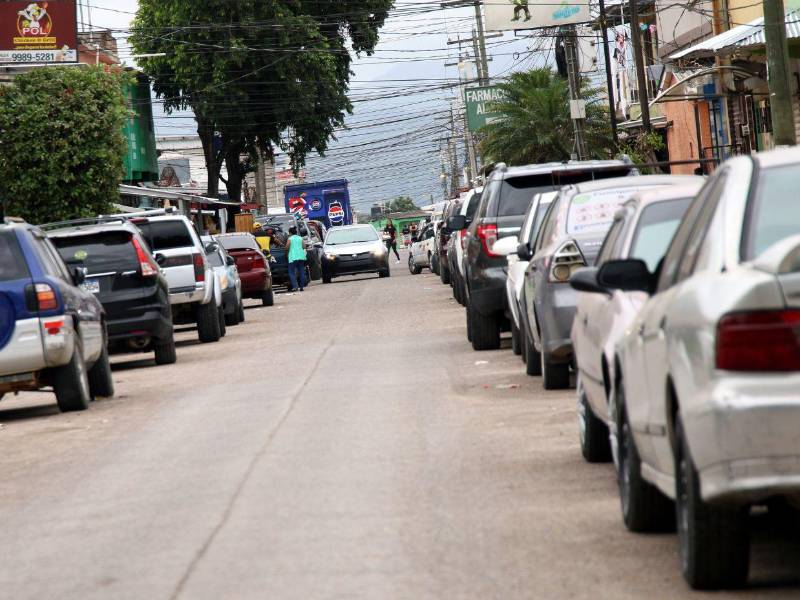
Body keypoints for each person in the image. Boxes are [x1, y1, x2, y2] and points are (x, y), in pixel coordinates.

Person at [285, 226, 307, 292]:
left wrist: (287, 250)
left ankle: (295, 286)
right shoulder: (300, 238)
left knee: (291, 272)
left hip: (293, 257)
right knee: (301, 271)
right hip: (301, 256)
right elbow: (304, 246)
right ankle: (302, 287)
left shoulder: (290, 239)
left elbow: (287, 247)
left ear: (290, 233)